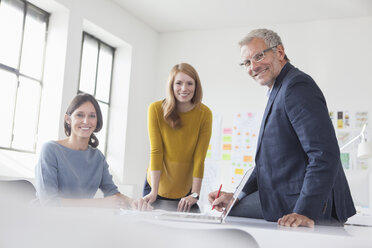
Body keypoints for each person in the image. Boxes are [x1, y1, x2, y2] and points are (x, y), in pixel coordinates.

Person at [209, 28, 356, 227]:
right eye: (246, 62)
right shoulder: (278, 89)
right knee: (231, 209)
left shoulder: (296, 86)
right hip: (283, 194)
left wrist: (304, 212)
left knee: (231, 216)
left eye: (259, 56)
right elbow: (266, 165)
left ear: (279, 52)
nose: (253, 67)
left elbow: (324, 153)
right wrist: (237, 195)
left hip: (306, 201)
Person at [35, 93, 151, 210]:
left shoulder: (98, 158)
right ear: (68, 119)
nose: (86, 121)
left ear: (97, 121)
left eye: (92, 116)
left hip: (79, 221)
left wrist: (133, 202)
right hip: (45, 221)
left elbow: (112, 193)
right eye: (80, 115)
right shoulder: (50, 150)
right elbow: (49, 203)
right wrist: (100, 203)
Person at [143, 63, 212, 212]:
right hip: (155, 186)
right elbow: (156, 151)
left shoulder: (205, 114)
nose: (184, 88)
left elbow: (199, 158)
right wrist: (154, 192)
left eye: (189, 83)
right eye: (178, 83)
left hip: (185, 190)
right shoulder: (155, 109)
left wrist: (195, 194)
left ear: (196, 86)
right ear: (171, 86)